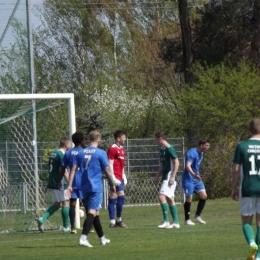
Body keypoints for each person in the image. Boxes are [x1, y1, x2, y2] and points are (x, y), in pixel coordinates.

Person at [67, 130, 117, 247]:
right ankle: (83, 238)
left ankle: (102, 238)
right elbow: (107, 170)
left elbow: (73, 169)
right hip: (95, 187)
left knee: (96, 213)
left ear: (89, 139)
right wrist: (112, 184)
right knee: (92, 212)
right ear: (99, 140)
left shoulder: (81, 153)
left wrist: (70, 185)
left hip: (84, 187)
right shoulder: (100, 153)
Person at [231, 118, 260, 260]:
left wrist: (233, 188)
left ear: (248, 130)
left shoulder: (241, 146)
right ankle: (259, 256)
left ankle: (252, 243)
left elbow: (236, 170)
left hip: (248, 188)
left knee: (246, 222)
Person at [37, 137, 71, 232]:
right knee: (65, 202)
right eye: (70, 144)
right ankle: (66, 227)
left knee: (57, 204)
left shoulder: (53, 153)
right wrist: (69, 183)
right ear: (66, 145)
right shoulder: (61, 155)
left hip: (52, 181)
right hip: (60, 182)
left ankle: (42, 219)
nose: (70, 146)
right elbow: (63, 171)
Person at [59, 131, 90, 234]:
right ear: (82, 141)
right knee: (86, 203)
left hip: (72, 181)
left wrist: (59, 180)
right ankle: (89, 226)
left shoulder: (68, 152)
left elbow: (63, 168)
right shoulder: (84, 152)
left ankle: (72, 227)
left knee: (72, 203)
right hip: (83, 179)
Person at [153, 131, 180, 229]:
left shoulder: (170, 148)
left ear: (160, 138)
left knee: (161, 197)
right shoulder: (161, 150)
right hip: (165, 177)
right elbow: (162, 165)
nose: (155, 141)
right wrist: (157, 177)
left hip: (169, 177)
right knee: (169, 199)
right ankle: (176, 222)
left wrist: (173, 176)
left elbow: (177, 163)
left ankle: (166, 221)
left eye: (156, 139)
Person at [182, 139, 210, 225]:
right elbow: (187, 166)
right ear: (201, 145)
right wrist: (194, 174)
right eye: (207, 146)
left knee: (204, 196)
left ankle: (197, 216)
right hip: (188, 178)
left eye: (209, 146)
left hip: (196, 178)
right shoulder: (192, 153)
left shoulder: (201, 153)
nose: (208, 148)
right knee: (189, 198)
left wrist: (196, 175)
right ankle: (187, 220)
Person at [107, 130, 127, 228]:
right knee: (117, 196)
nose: (125, 139)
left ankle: (115, 221)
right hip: (114, 177)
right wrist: (112, 177)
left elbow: (122, 164)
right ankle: (115, 221)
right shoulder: (112, 148)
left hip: (120, 176)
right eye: (123, 137)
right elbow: (110, 163)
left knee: (115, 196)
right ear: (118, 139)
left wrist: (123, 175)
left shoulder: (122, 149)